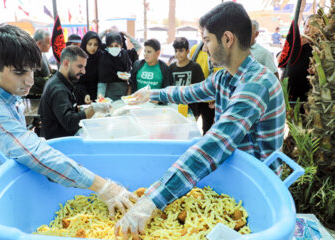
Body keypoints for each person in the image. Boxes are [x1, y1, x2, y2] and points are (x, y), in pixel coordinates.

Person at [115, 2, 286, 239]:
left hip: (255, 183)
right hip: (233, 173)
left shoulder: (256, 85)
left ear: (227, 39)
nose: (204, 48)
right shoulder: (225, 77)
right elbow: (191, 91)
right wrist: (152, 93)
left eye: (207, 40)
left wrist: (151, 201)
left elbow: (216, 143)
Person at [0, 24, 137, 216]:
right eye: (20, 73)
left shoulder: (10, 95)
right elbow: (33, 151)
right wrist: (104, 187)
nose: (30, 81)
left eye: (32, 71)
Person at [38, 45, 110, 140]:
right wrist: (94, 108)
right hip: (59, 144)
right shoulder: (59, 89)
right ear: (66, 63)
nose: (83, 72)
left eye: (84, 67)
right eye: (80, 66)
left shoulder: (62, 82)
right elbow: (70, 122)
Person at [169, 37, 204, 118]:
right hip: (175, 109)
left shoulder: (195, 67)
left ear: (188, 50)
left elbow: (201, 88)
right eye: (176, 51)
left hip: (192, 110)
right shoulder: (171, 68)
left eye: (181, 51)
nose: (178, 54)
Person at [97, 32, 132, 100]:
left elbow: (130, 76)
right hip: (109, 98)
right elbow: (102, 81)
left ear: (121, 45)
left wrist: (127, 35)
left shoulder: (125, 55)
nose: (114, 48)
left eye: (116, 46)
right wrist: (100, 98)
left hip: (125, 96)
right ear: (107, 46)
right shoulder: (104, 58)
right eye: (111, 46)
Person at [75, 31, 102, 104]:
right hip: (83, 97)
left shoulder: (101, 57)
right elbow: (77, 82)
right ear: (85, 44)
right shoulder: (79, 59)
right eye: (90, 44)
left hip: (99, 96)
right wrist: (85, 94)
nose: (92, 47)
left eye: (95, 44)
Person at [28, 29, 54, 98]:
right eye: (48, 43)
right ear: (39, 43)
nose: (50, 45)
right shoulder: (31, 56)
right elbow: (32, 79)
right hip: (35, 96)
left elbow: (50, 71)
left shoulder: (42, 54)